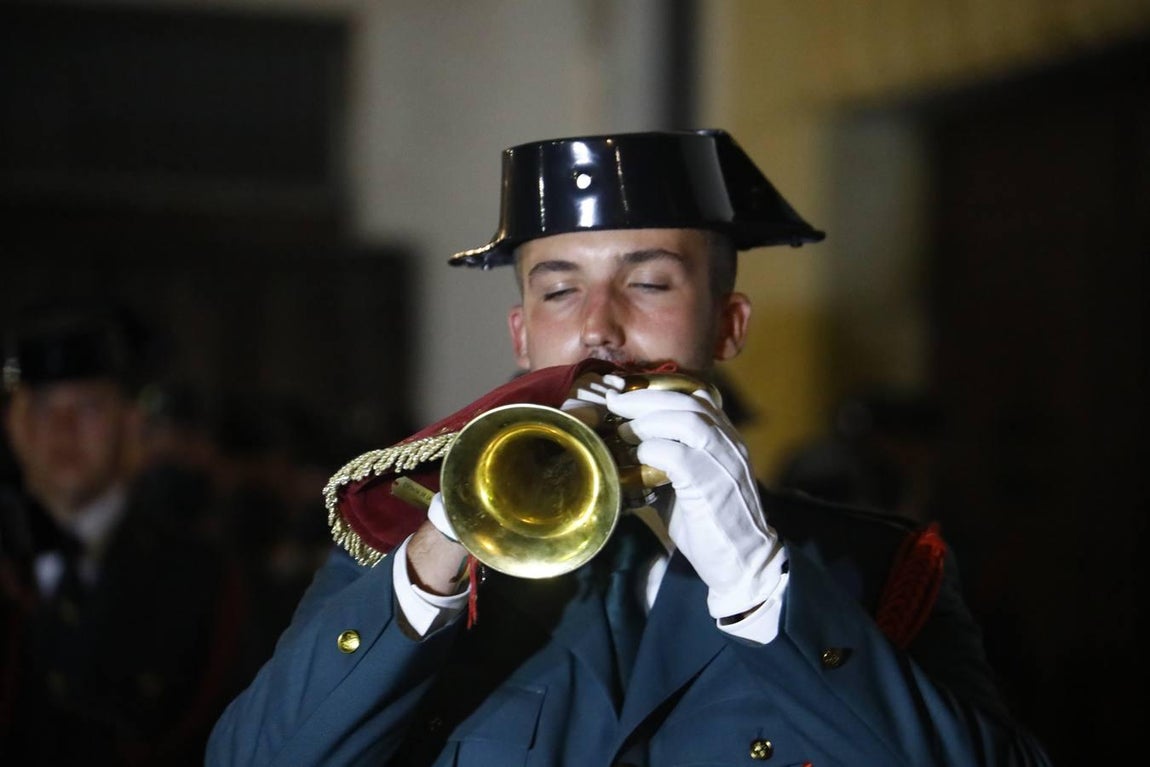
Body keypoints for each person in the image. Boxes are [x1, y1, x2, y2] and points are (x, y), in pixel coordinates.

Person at [207, 129, 1053, 765]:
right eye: (560, 291)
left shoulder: (882, 568)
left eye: (648, 283)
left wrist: (760, 582)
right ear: (522, 335)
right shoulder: (407, 552)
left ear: (728, 324)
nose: (599, 329)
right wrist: (434, 559)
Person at [0, 299, 247, 765]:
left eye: (88, 407)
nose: (64, 430)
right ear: (15, 425)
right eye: (43, 408)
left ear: (130, 423)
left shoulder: (197, 576)